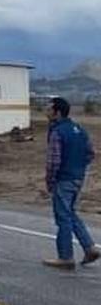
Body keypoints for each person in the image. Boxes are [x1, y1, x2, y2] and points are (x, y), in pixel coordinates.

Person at [42, 97, 100, 270]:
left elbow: (53, 161)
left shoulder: (57, 132)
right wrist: (79, 168)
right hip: (78, 178)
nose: (46, 110)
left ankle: (65, 257)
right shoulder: (79, 129)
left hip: (64, 179)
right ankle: (89, 247)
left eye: (49, 108)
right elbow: (90, 153)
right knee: (70, 213)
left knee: (63, 217)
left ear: (57, 112)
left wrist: (50, 182)